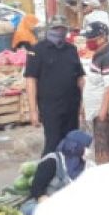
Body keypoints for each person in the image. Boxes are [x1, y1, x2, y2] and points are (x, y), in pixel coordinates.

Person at [25, 24, 84, 155]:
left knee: (72, 143)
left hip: (71, 106)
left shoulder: (71, 49)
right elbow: (30, 81)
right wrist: (33, 111)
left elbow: (80, 77)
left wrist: (83, 104)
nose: (59, 32)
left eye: (63, 29)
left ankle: (69, 173)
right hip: (50, 108)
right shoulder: (37, 50)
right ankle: (45, 174)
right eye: (56, 28)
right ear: (49, 29)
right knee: (53, 144)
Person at [82, 23, 109, 164]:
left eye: (90, 38)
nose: (88, 41)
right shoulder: (101, 54)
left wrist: (102, 114)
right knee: (105, 149)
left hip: (107, 114)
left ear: (102, 38)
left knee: (104, 152)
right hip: (101, 112)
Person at [22, 130, 92, 215]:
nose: (88, 150)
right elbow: (36, 190)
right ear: (74, 146)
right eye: (85, 147)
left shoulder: (87, 166)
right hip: (42, 205)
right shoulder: (52, 161)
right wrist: (52, 206)